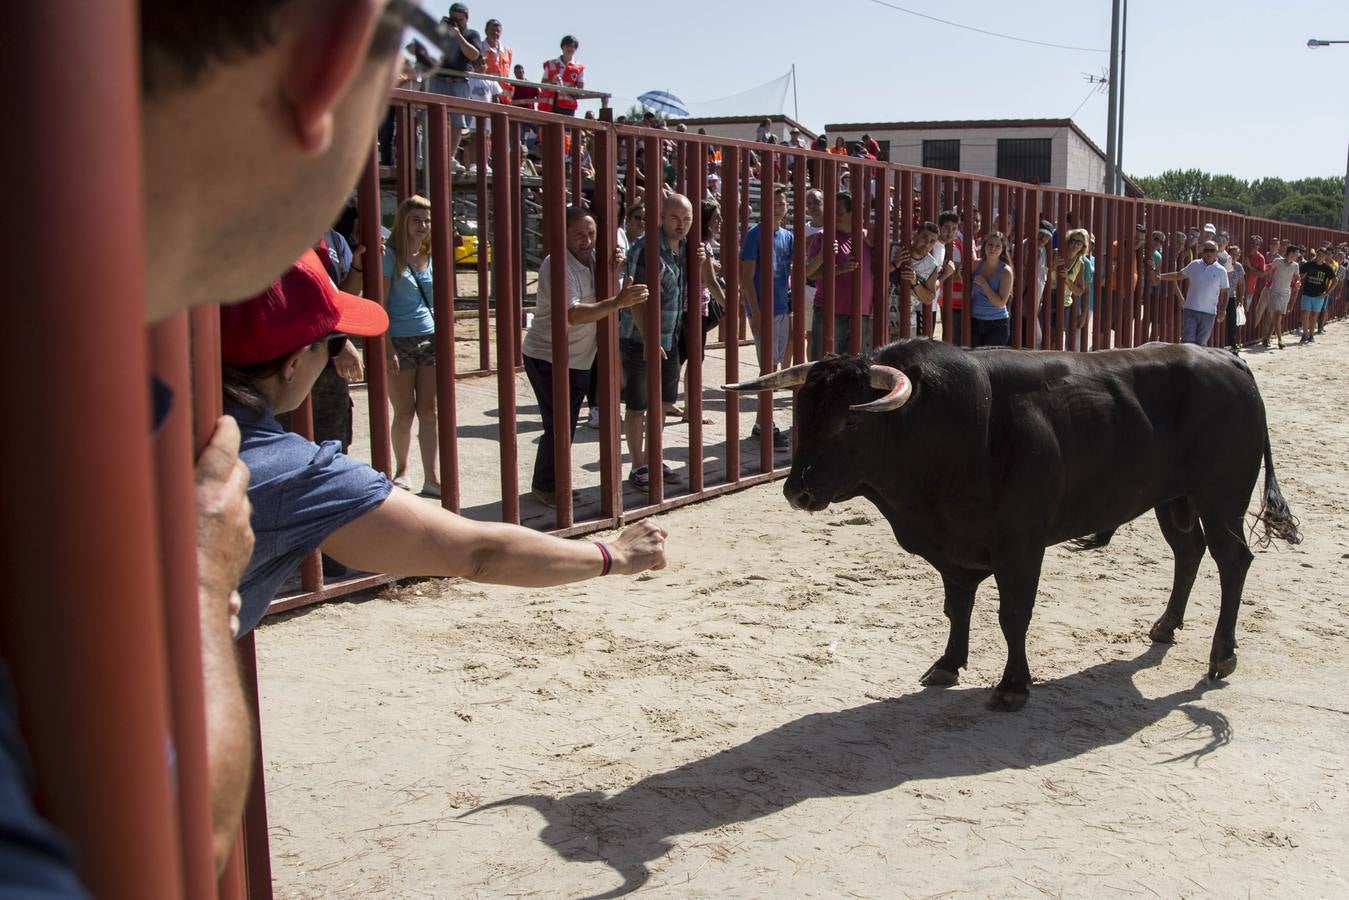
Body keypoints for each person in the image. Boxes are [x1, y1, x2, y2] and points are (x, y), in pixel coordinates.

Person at [222, 251, 668, 636]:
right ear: (294, 363)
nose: (338, 352)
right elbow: (479, 553)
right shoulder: (293, 475)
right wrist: (616, 554)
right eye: (335, 341)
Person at [522, 208, 647, 506]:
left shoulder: (595, 261)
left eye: (591, 233)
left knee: (563, 423)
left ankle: (553, 483)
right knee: (559, 424)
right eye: (579, 233)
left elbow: (611, 295)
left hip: (578, 356)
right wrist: (617, 302)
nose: (586, 240)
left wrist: (616, 272)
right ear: (564, 233)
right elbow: (574, 313)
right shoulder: (558, 265)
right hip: (547, 355)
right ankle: (546, 485)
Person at [620, 195, 695, 488]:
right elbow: (636, 299)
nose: (681, 225)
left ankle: (653, 459)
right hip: (640, 339)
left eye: (686, 220)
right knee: (638, 405)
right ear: (662, 216)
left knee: (663, 403)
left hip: (670, 338)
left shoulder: (685, 249)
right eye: (675, 218)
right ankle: (638, 466)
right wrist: (650, 339)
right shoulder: (646, 249)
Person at [382, 196, 440, 496]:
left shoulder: (430, 255)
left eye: (427, 221)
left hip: (429, 338)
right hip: (400, 339)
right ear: (403, 221)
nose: (423, 226)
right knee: (404, 411)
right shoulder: (390, 256)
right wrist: (386, 346)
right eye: (416, 220)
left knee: (429, 411)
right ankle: (402, 470)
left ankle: (432, 477)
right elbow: (379, 304)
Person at [739, 184, 794, 449]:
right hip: (765, 310)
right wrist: (756, 313)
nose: (779, 208)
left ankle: (762, 423)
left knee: (774, 367)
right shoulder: (754, 235)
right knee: (768, 369)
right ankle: (766, 424)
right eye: (774, 203)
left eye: (782, 203)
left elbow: (798, 269)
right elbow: (746, 278)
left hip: (782, 307)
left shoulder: (787, 236)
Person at [805, 191, 873, 357]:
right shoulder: (823, 236)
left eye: (839, 212)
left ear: (852, 213)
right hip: (830, 311)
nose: (834, 216)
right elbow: (808, 273)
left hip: (861, 313)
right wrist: (834, 265)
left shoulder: (866, 237)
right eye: (832, 211)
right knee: (824, 364)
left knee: (853, 368)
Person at [427, 3, 482, 174]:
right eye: (454, 19)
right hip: (438, 78)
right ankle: (433, 155)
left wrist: (458, 36)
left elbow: (474, 55)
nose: (456, 22)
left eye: (460, 19)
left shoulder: (472, 34)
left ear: (466, 19)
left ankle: (449, 157)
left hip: (459, 81)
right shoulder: (443, 30)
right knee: (433, 118)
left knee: (458, 122)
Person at [1158, 240, 1229, 345]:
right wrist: (1160, 276)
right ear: (1202, 252)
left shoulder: (1221, 271)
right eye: (1206, 250)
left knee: (1201, 344)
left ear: (1217, 252)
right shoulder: (1195, 265)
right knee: (1187, 342)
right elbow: (1179, 275)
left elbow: (1225, 291)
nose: (1209, 253)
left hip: (1208, 314)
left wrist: (1223, 310)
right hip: (1191, 310)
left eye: (1212, 250)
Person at [968, 231, 1014, 347]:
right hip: (975, 321)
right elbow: (968, 286)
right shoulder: (976, 264)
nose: (993, 248)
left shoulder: (1006, 271)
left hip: (997, 324)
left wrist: (984, 284)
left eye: (997, 246)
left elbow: (1000, 303)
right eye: (990, 245)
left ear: (1002, 249)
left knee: (991, 363)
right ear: (984, 246)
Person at [1260, 244, 1301, 349]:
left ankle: (1267, 338)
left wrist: (1297, 283)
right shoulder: (1278, 261)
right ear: (1290, 253)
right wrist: (1260, 272)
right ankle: (1280, 339)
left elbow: (1297, 278)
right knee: (1277, 315)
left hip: (1286, 293)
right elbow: (1268, 268)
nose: (1297, 255)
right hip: (1275, 292)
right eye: (1296, 253)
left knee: (1277, 317)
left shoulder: (1295, 265)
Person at [1296, 246, 1335, 345]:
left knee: (1314, 316)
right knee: (1305, 314)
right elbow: (1299, 273)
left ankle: (1311, 335)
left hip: (1319, 296)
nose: (1320, 257)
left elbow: (1335, 280)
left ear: (1325, 256)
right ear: (1316, 255)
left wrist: (1328, 292)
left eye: (1322, 255)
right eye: (1319, 255)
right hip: (1307, 293)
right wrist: (1297, 281)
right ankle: (1304, 335)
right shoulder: (1309, 264)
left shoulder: (1327, 268)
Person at [540, 35, 584, 116]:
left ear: (575, 49)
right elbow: (542, 86)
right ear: (562, 47)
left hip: (568, 107)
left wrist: (569, 90)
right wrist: (552, 81)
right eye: (567, 46)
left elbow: (580, 90)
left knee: (566, 128)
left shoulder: (579, 67)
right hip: (550, 105)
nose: (570, 49)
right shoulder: (550, 64)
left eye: (572, 46)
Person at [480, 19, 512, 104]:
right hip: (485, 93)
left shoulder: (507, 51)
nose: (495, 33)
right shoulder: (479, 47)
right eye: (492, 30)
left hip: (503, 96)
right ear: (486, 31)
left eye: (498, 31)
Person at [1224, 244, 1246, 354]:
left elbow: (1242, 283)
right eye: (1233, 254)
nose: (1234, 256)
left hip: (1232, 296)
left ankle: (1232, 344)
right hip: (1221, 296)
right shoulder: (1223, 264)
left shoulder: (1239, 267)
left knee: (1232, 321)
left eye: (1237, 255)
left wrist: (1241, 297)